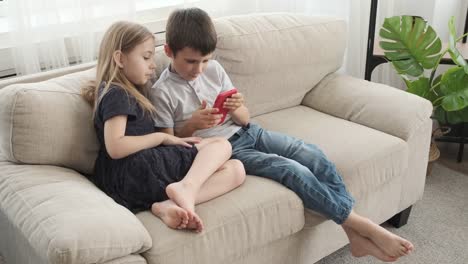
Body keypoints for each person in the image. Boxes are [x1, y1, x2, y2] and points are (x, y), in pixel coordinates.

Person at [150, 7, 414, 261]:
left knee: (310, 153)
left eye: (205, 60)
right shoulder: (162, 91)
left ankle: (351, 232)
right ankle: (360, 224)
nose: (198, 69)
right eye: (191, 61)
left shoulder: (215, 70)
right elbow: (168, 141)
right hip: (223, 150)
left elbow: (245, 118)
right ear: (169, 52)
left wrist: (237, 107)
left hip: (249, 131)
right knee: (290, 170)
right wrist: (193, 125)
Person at [81, 21, 245, 232]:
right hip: (135, 168)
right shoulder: (116, 93)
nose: (153, 64)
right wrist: (162, 138)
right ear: (119, 59)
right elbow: (115, 147)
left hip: (132, 178)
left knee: (236, 170)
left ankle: (167, 205)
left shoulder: (124, 91)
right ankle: (186, 188)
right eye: (146, 57)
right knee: (221, 145)